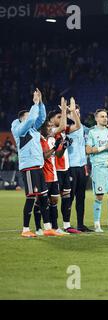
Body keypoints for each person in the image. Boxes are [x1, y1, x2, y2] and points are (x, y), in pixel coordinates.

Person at [11, 89, 59, 237]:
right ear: (22, 119)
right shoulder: (20, 130)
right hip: (29, 167)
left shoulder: (32, 130)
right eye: (28, 117)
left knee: (44, 197)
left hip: (38, 166)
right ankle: (25, 229)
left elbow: (40, 118)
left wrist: (41, 103)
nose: (32, 118)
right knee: (31, 197)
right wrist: (35, 104)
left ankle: (47, 228)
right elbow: (32, 119)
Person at [47, 97, 82, 233]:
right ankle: (54, 226)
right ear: (51, 120)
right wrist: (64, 108)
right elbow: (57, 153)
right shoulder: (50, 132)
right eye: (59, 116)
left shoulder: (63, 132)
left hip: (65, 168)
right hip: (54, 170)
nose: (62, 118)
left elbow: (78, 126)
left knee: (66, 198)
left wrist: (73, 112)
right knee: (53, 200)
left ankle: (67, 225)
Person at [85, 109, 108, 232]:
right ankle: (97, 225)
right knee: (99, 196)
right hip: (98, 166)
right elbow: (88, 150)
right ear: (96, 118)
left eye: (106, 116)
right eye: (102, 116)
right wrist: (106, 146)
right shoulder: (92, 133)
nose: (105, 118)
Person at [38, 119, 67, 235]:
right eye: (48, 126)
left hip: (54, 175)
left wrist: (64, 146)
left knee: (54, 201)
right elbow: (44, 156)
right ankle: (39, 228)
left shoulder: (51, 139)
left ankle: (55, 227)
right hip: (43, 176)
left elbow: (58, 155)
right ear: (42, 128)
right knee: (40, 202)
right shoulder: (39, 140)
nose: (51, 128)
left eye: (51, 126)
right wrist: (55, 148)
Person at [67, 101, 92, 232]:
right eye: (73, 112)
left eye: (78, 112)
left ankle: (80, 224)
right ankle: (67, 224)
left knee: (81, 197)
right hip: (70, 166)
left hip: (82, 167)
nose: (77, 114)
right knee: (69, 197)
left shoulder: (84, 128)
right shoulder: (66, 128)